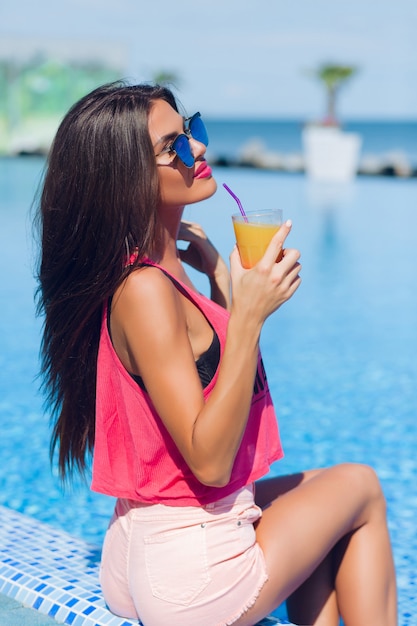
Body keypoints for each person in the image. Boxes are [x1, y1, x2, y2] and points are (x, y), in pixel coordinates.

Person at [35, 81, 397, 626]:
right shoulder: (145, 291)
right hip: (189, 573)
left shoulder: (160, 270)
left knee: (323, 496)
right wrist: (250, 315)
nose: (198, 149)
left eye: (192, 131)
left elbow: (209, 375)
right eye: (173, 146)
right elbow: (209, 459)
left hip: (155, 549)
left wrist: (225, 287)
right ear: (125, 178)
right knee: (362, 487)